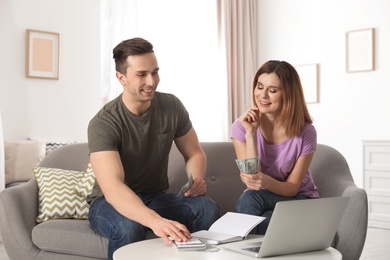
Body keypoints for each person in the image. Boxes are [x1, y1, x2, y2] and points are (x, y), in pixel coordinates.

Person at [87, 37, 219, 260]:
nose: (151, 81)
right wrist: (154, 221)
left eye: (155, 72)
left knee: (206, 207)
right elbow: (113, 188)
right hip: (109, 203)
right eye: (141, 74)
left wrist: (194, 180)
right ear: (121, 78)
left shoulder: (171, 106)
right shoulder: (103, 123)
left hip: (155, 196)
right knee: (130, 227)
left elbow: (195, 152)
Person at [230, 60, 319, 235]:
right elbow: (252, 179)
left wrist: (263, 180)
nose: (263, 96)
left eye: (272, 91)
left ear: (288, 95)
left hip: (299, 199)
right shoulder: (241, 127)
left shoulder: (306, 132)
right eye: (259, 87)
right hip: (261, 198)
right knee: (260, 212)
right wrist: (251, 134)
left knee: (252, 204)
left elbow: (292, 187)